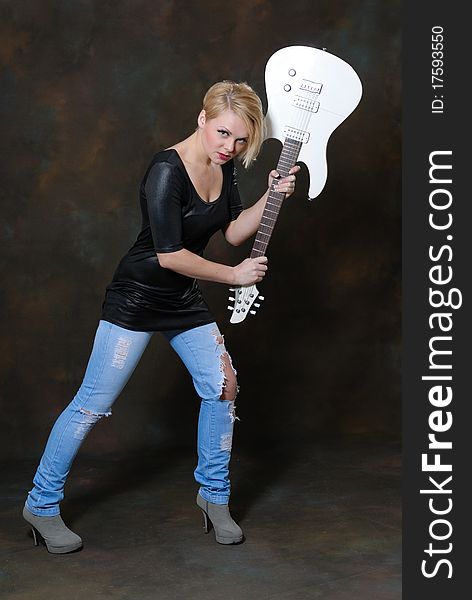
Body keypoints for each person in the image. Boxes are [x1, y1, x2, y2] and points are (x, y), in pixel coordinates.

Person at [23, 80, 299, 553]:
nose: (229, 147)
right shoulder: (166, 171)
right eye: (222, 133)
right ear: (202, 118)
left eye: (239, 139)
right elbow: (170, 255)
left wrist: (270, 195)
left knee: (223, 386)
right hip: (136, 298)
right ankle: (41, 505)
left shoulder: (223, 166)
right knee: (92, 403)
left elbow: (232, 232)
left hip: (182, 300)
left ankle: (213, 497)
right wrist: (234, 278)